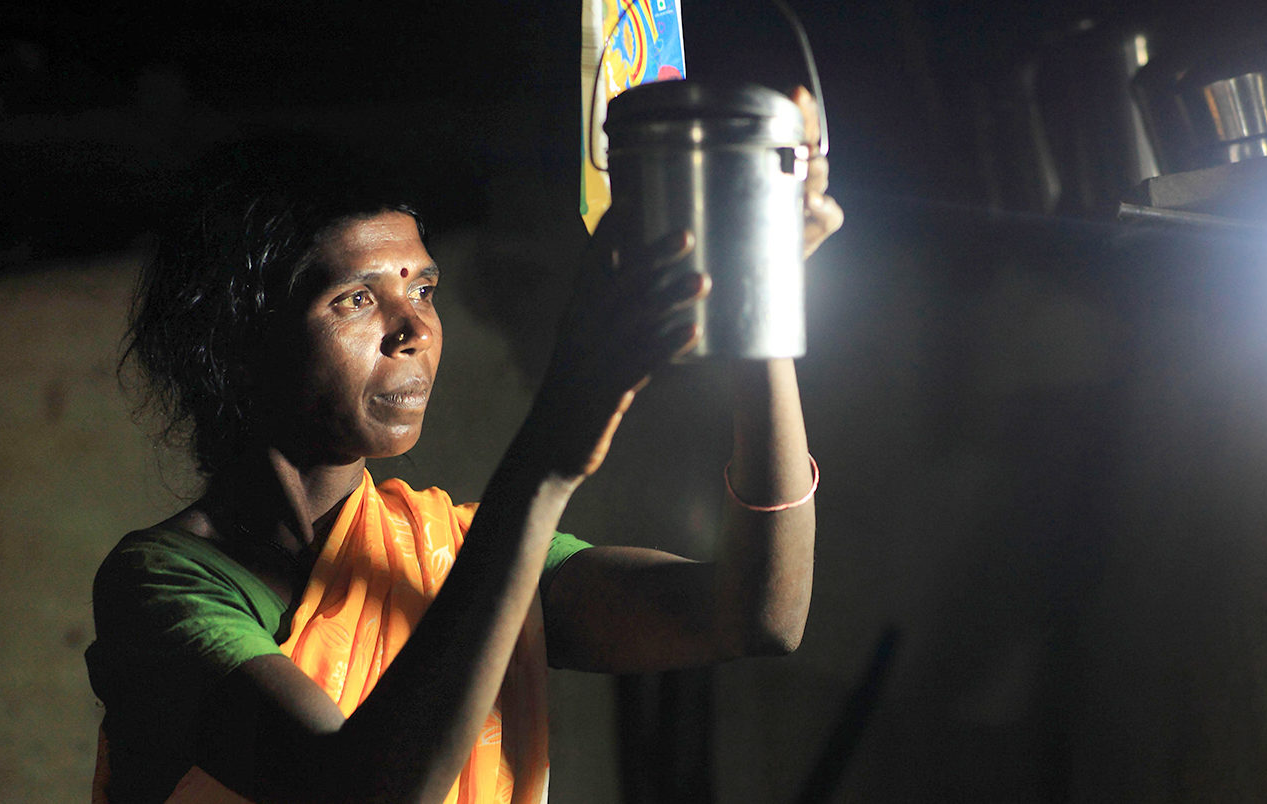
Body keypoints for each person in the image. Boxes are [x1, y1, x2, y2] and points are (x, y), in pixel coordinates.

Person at [85, 88, 842, 803]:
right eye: (356, 297)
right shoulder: (160, 589)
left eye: (422, 289)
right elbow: (359, 788)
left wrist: (759, 304)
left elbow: (754, 615)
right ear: (239, 340)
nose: (412, 328)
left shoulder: (459, 556)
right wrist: (548, 454)